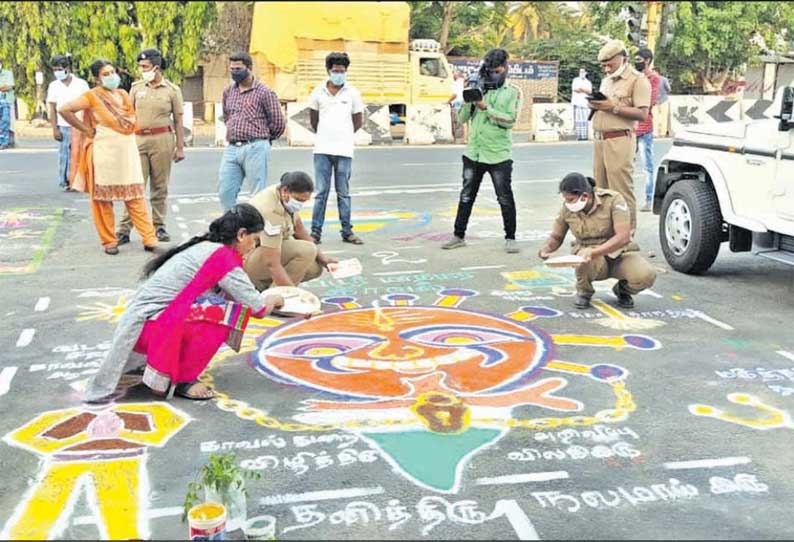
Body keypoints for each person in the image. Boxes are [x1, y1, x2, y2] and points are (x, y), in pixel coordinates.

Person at [84, 204, 285, 403]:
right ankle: (183, 379)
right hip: (151, 328)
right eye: (254, 240)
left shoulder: (206, 246)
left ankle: (167, 367)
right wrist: (275, 298)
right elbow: (257, 308)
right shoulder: (224, 257)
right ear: (242, 235)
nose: (253, 247)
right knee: (224, 313)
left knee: (217, 304)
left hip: (144, 323)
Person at [59, 59, 158, 255]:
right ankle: (109, 241)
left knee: (135, 196)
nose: (112, 76)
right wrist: (86, 129)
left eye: (113, 72)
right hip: (104, 153)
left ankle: (150, 239)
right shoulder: (92, 96)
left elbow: (130, 121)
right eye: (106, 74)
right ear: (97, 79)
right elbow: (64, 109)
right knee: (103, 200)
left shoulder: (122, 94)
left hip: (127, 152)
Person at [442, 48, 522, 254]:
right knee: (466, 196)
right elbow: (461, 119)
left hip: (498, 154)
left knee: (504, 197)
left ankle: (510, 237)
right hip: (473, 153)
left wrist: (486, 107)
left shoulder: (512, 92)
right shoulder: (479, 85)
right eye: (491, 70)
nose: (494, 73)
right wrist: (470, 99)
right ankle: (458, 235)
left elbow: (510, 121)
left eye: (498, 70)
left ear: (505, 68)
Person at [538, 172, 656, 310]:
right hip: (590, 259)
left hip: (619, 254)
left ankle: (623, 290)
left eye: (570, 199)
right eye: (565, 199)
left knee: (646, 275)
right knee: (582, 259)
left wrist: (595, 251)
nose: (567, 203)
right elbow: (556, 237)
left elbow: (623, 237)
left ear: (585, 196)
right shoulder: (567, 209)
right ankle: (584, 291)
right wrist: (547, 248)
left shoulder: (613, 200)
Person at [117, 49, 185, 245]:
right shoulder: (136, 88)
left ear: (156, 67)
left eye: (145, 67)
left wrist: (180, 147)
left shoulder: (171, 90)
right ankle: (124, 229)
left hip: (162, 139)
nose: (141, 70)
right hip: (138, 139)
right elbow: (127, 116)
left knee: (160, 186)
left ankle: (158, 226)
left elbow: (178, 120)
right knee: (134, 185)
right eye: (140, 66)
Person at [588, 39, 651, 230]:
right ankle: (607, 233)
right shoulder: (606, 80)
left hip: (620, 139)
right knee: (601, 190)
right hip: (600, 140)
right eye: (604, 65)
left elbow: (642, 114)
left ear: (624, 59)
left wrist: (613, 107)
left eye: (610, 64)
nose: (607, 69)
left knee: (620, 191)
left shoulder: (638, 80)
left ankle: (626, 235)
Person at [308, 52, 365, 246]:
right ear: (328, 71)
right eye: (335, 71)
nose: (338, 74)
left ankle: (347, 231)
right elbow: (313, 120)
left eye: (342, 71)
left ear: (346, 71)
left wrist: (344, 135)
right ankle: (315, 232)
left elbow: (358, 120)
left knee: (343, 193)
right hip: (322, 149)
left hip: (344, 150)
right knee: (321, 193)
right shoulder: (318, 92)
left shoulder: (353, 93)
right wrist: (325, 134)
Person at [244, 171, 337, 290]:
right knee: (307, 251)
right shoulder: (271, 210)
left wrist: (323, 259)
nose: (300, 204)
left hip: (264, 251)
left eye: (304, 201)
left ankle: (263, 287)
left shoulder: (284, 196)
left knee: (315, 268)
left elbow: (299, 229)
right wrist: (289, 293)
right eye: (299, 200)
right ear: (285, 191)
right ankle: (274, 296)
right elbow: (272, 263)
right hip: (247, 260)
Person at [217, 51, 285, 211]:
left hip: (255, 146)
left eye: (238, 68)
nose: (234, 72)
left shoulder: (264, 92)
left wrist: (263, 140)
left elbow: (278, 123)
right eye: (232, 69)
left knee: (257, 194)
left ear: (249, 68)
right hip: (232, 147)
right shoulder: (228, 92)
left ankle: (255, 230)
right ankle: (231, 228)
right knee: (225, 191)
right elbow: (227, 117)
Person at [46, 54, 90, 191]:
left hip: (79, 125)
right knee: (65, 155)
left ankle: (79, 181)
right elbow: (52, 108)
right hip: (63, 125)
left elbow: (88, 105)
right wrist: (54, 129)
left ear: (67, 68)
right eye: (55, 69)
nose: (57, 72)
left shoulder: (81, 84)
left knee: (79, 154)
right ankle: (65, 180)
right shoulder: (54, 86)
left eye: (59, 69)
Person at [634, 48, 662, 213]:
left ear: (647, 60)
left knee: (648, 167)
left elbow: (648, 102)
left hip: (644, 127)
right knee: (626, 166)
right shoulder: (634, 77)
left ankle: (649, 199)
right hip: (631, 127)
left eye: (639, 59)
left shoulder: (653, 78)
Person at [571, 68, 593, 141]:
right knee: (578, 120)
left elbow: (589, 91)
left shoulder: (588, 82)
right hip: (577, 103)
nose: (582, 73)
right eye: (581, 72)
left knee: (585, 120)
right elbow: (575, 89)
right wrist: (583, 90)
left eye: (583, 72)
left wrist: (582, 90)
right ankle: (578, 136)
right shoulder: (576, 80)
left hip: (585, 103)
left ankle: (584, 136)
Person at [0, 59, 13, 150]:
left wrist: (4, 88)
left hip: (5, 101)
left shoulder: (8, 73)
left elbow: (9, 87)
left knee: (5, 121)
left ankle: (4, 142)